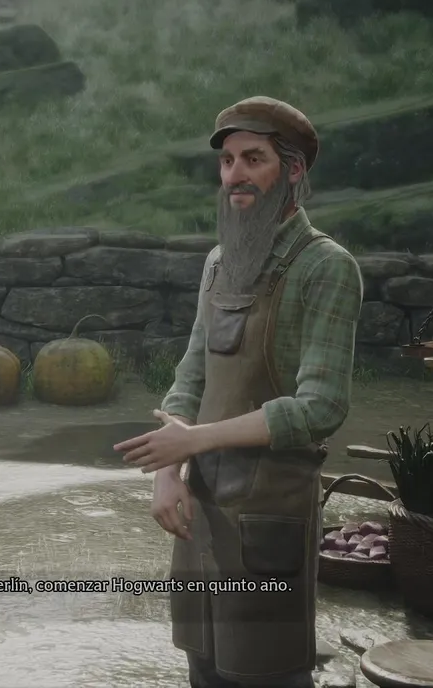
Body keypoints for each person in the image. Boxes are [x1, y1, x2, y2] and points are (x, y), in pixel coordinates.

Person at [115, 97, 363, 687]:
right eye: (227, 162)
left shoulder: (326, 267)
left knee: (265, 669)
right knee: (203, 664)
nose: (235, 176)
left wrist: (196, 440)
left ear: (294, 170)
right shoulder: (218, 263)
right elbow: (191, 375)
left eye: (254, 159)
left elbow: (321, 407)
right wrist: (167, 474)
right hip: (201, 506)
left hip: (270, 511)